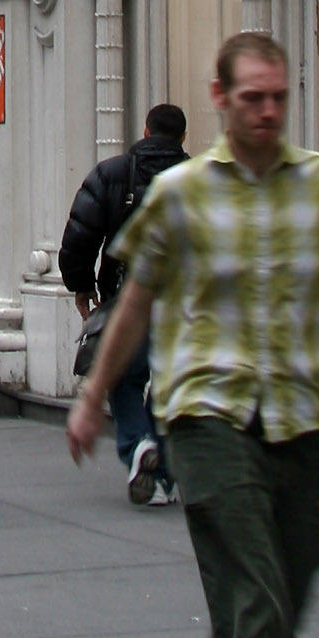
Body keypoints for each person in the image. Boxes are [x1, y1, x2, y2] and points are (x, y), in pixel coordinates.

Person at [67, 33, 319, 638]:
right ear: (220, 98)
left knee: (281, 596)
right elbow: (136, 303)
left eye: (279, 97)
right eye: (252, 98)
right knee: (258, 596)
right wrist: (93, 399)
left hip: (309, 419)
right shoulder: (181, 195)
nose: (268, 111)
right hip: (208, 413)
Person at [60, 103, 191, 505]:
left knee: (122, 376)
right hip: (182, 301)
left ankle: (137, 446)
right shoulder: (197, 179)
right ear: (182, 138)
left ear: (147, 130)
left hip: (125, 294)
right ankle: (163, 469)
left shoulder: (114, 173)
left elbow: (80, 234)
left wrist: (81, 286)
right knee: (169, 385)